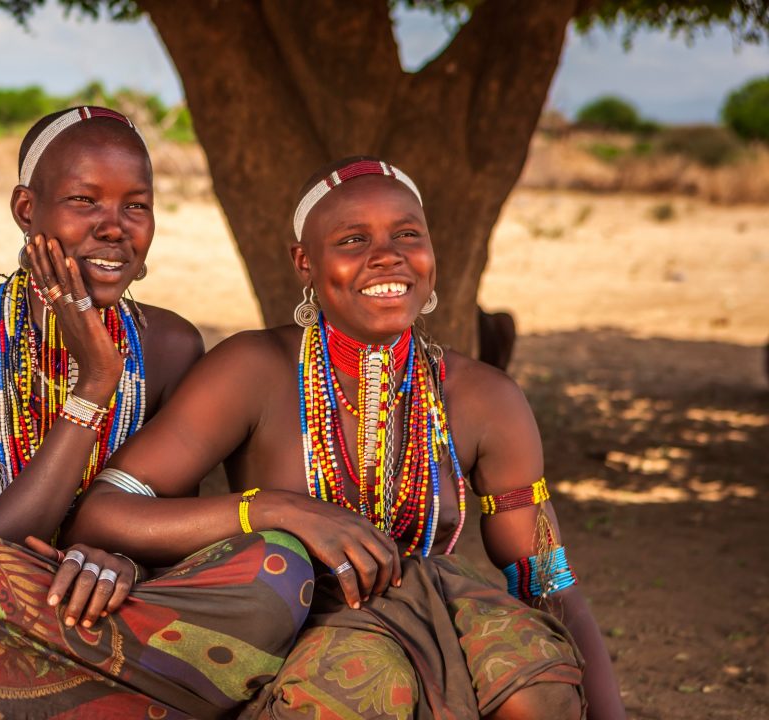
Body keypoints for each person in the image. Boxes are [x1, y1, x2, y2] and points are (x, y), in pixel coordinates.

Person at [66, 157, 626, 719]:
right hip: (304, 622)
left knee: (536, 686)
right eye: (353, 239)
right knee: (362, 687)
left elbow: (548, 580)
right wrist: (276, 511)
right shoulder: (254, 369)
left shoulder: (486, 398)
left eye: (407, 234)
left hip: (443, 611)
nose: (387, 255)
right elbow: (105, 511)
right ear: (305, 263)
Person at [0, 107, 317, 719]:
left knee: (277, 565)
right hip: (5, 593)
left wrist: (125, 559)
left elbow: (168, 522)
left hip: (127, 597)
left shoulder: (172, 344)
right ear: (25, 210)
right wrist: (94, 385)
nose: (114, 227)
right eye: (84, 201)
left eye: (135, 205)